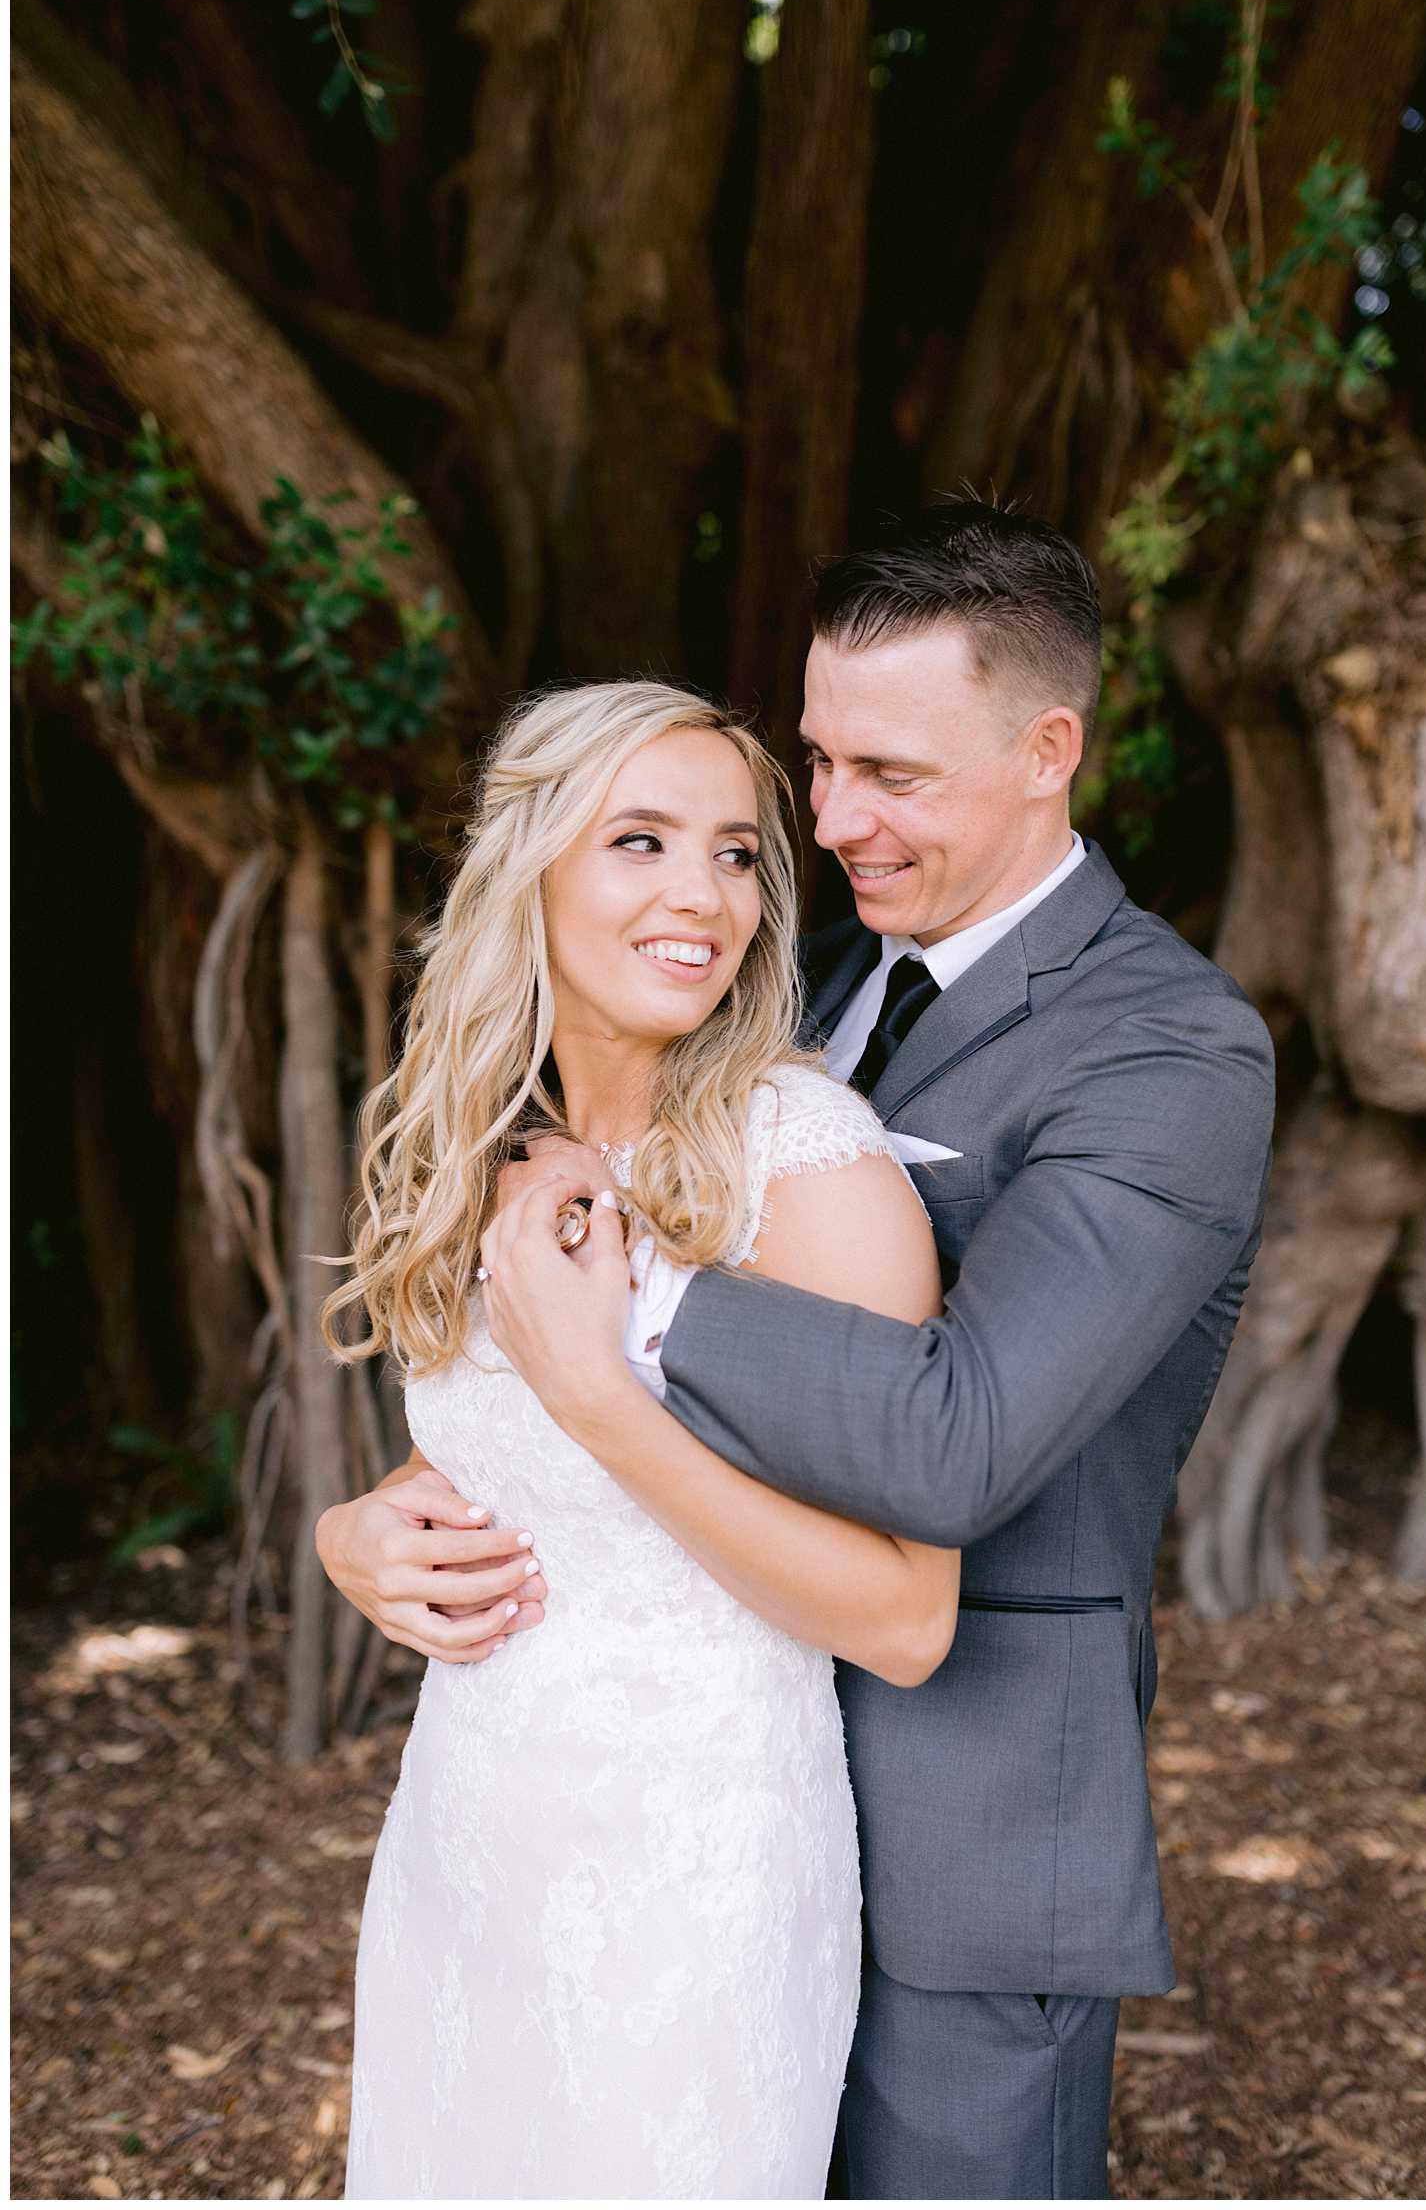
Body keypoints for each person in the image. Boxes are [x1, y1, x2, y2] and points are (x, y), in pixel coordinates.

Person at [324, 503, 1277, 2197]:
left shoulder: (1171, 1052)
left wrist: (641, 1308)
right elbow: (554, 1406)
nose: (830, 819)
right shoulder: (779, 972)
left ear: (1047, 749)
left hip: (958, 1824)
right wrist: (372, 1519)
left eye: (888, 774)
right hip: (621, 1815)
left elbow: (963, 1437)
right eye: (818, 767)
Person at [319, 679, 954, 2199]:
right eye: (643, 841)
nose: (704, 896)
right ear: (526, 866)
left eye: (738, 854)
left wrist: (604, 1395)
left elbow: (908, 1616)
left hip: (699, 1881)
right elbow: (494, 1464)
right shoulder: (478, 1145)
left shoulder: (814, 1177)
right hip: (471, 1840)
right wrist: (361, 1534)